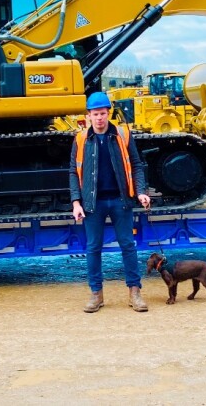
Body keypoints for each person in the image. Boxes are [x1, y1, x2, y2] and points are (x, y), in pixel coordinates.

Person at [69, 92, 151, 313]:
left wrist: (141, 192)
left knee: (127, 246)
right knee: (93, 248)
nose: (99, 118)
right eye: (95, 114)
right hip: (92, 204)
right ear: (89, 115)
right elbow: (73, 172)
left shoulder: (122, 135)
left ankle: (135, 292)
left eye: (103, 114)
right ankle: (96, 294)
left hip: (120, 200)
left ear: (109, 113)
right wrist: (76, 202)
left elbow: (136, 164)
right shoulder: (81, 139)